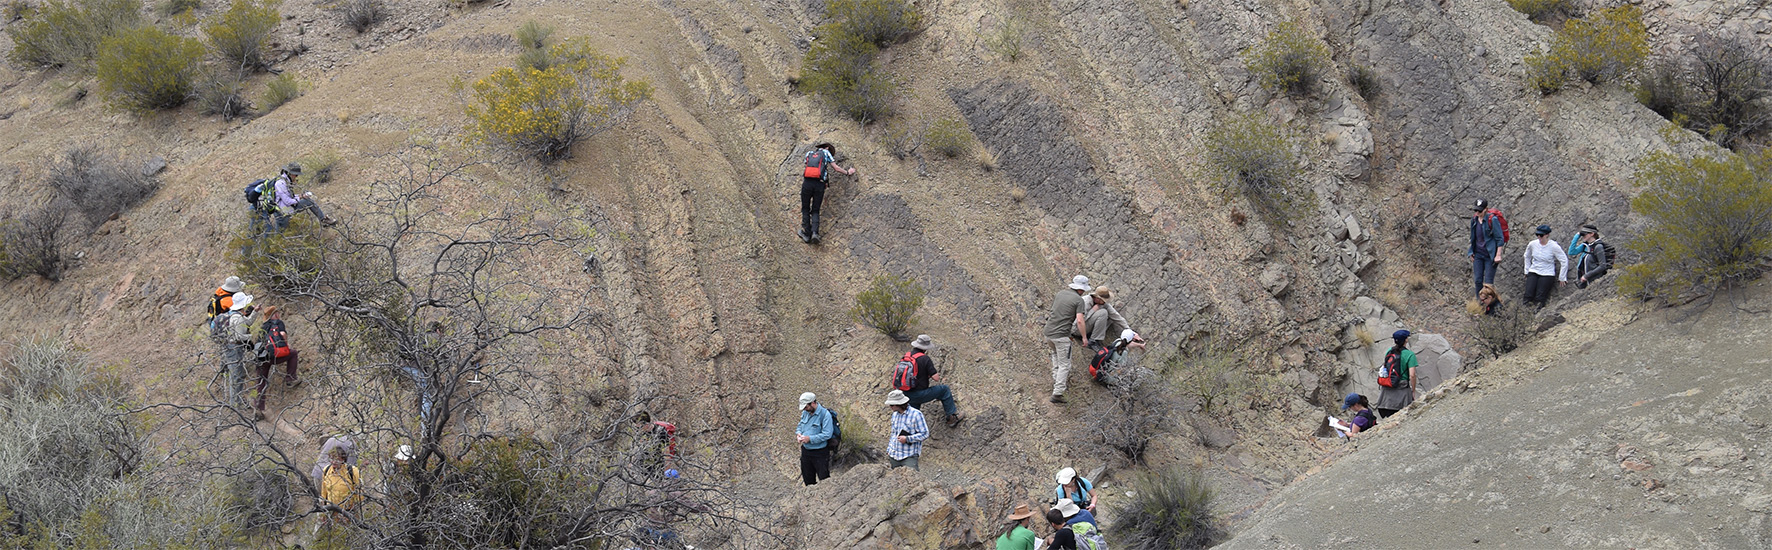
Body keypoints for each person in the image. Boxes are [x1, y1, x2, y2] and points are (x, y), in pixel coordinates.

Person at [1043, 275, 1093, 403]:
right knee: (1065, 364)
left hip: (1049, 332)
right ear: (1081, 289)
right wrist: (1084, 338)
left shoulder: (1060, 294)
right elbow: (1080, 321)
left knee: (1055, 355)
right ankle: (1058, 393)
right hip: (1061, 335)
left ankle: (1056, 379)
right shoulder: (1079, 300)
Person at [900, 335, 963, 427]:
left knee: (914, 412)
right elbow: (936, 378)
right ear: (925, 348)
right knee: (944, 390)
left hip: (906, 393)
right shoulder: (925, 358)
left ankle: (909, 430)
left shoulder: (906, 356)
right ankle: (951, 418)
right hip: (920, 394)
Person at [798, 142, 855, 244]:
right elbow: (836, 168)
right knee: (815, 210)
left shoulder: (809, 153)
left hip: (807, 183)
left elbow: (807, 166)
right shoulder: (826, 152)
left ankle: (806, 234)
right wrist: (847, 172)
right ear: (827, 148)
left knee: (805, 208)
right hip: (819, 184)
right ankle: (815, 233)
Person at [250, 305, 301, 420]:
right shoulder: (278, 323)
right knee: (293, 354)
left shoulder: (263, 326)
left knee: (261, 383)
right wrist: (286, 345)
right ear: (275, 314)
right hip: (275, 355)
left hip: (261, 358)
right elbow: (282, 334)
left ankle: (258, 410)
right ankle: (290, 378)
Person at [269, 162, 336, 231]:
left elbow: (289, 196)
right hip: (282, 212)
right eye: (296, 175)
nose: (296, 177)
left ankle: (323, 220)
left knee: (308, 201)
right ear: (291, 174)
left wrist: (301, 196)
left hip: (286, 209)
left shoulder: (285, 181)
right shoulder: (281, 183)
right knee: (280, 234)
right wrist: (300, 197)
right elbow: (288, 201)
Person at [220, 294, 259, 407]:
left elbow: (248, 322)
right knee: (236, 375)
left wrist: (255, 311)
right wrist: (249, 337)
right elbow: (239, 336)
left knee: (237, 374)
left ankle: (236, 401)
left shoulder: (235, 314)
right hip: (234, 349)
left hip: (231, 347)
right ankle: (235, 404)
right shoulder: (237, 318)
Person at [1521, 224, 1568, 308]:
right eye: (1537, 235)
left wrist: (1562, 277)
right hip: (1534, 271)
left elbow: (1564, 260)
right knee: (1528, 294)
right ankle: (1524, 313)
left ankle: (1537, 314)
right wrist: (1526, 270)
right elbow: (1527, 256)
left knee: (1540, 297)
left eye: (1541, 235)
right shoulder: (1532, 244)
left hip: (1547, 273)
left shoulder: (1554, 246)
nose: (1539, 237)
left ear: (1547, 235)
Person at [1374, 330, 1418, 418]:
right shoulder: (1410, 355)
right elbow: (1412, 375)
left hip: (1387, 393)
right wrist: (1413, 391)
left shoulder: (1389, 351)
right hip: (1402, 392)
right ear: (1406, 340)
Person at [794, 392, 836, 486]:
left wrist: (810, 439)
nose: (804, 409)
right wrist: (799, 434)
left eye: (806, 406)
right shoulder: (805, 413)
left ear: (813, 403)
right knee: (808, 481)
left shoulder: (825, 415)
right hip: (806, 452)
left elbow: (827, 434)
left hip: (820, 453)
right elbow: (800, 425)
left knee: (824, 481)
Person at [1468, 199, 1505, 298]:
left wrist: (1498, 255)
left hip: (1490, 255)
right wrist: (1471, 251)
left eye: (1479, 211)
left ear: (1486, 209)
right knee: (1478, 280)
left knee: (1488, 284)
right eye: (1475, 210)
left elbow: (1500, 238)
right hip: (1478, 254)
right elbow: (1473, 237)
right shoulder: (1474, 220)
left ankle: (1490, 305)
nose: (1477, 213)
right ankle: (1479, 304)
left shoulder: (1492, 220)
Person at [884, 389, 928, 470]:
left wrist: (907, 439)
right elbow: (893, 434)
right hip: (894, 455)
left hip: (909, 455)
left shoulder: (916, 414)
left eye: (892, 405)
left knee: (913, 480)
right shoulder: (894, 415)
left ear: (899, 404)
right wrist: (889, 449)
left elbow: (925, 434)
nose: (890, 407)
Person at [319, 446, 363, 526]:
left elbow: (359, 493)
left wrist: (352, 512)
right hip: (331, 511)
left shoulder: (352, 471)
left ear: (343, 459)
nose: (334, 462)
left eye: (337, 459)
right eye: (332, 459)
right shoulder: (327, 470)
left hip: (347, 512)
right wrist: (323, 512)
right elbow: (324, 493)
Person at [1569, 224, 1612, 289]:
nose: (1582, 236)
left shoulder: (1598, 247)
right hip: (1585, 281)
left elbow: (1602, 266)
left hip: (1595, 281)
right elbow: (1571, 252)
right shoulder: (1586, 246)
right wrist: (1577, 236)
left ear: (1592, 234)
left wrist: (1586, 276)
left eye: (1584, 234)